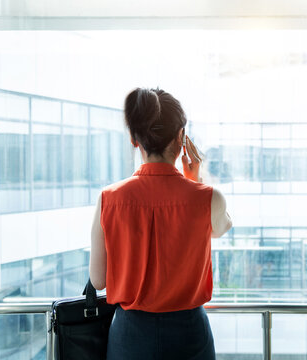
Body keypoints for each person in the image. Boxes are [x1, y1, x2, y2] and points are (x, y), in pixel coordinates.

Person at [89, 87, 232, 360]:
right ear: (181, 138)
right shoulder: (208, 197)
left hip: (130, 335)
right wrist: (195, 180)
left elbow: (98, 280)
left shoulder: (109, 198)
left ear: (134, 139)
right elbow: (220, 229)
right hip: (190, 334)